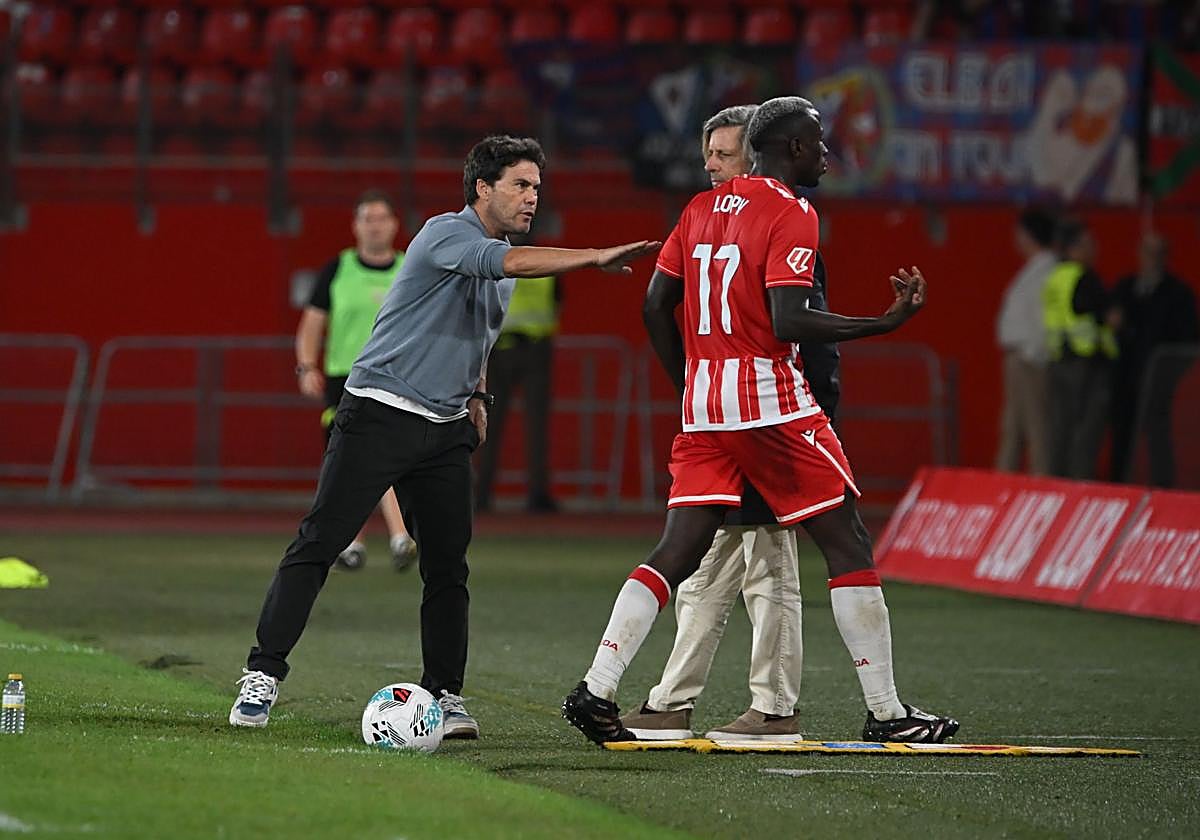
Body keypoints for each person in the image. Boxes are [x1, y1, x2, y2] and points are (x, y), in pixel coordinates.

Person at [230, 135, 660, 737]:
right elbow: (503, 263)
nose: (532, 196)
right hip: (378, 412)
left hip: (445, 429)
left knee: (448, 569)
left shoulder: (503, 260)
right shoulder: (444, 233)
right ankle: (263, 675)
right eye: (520, 184)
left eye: (537, 186)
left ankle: (445, 696)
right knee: (318, 544)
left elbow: (479, 333)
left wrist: (478, 396)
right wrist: (593, 256)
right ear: (483, 188)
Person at [562, 97, 958, 746]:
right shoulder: (792, 211)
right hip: (770, 405)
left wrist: (691, 380)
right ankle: (887, 713)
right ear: (792, 150)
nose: (826, 152)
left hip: (704, 407)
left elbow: (655, 304)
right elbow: (789, 320)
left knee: (678, 550)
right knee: (848, 543)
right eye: (818, 141)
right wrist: (883, 323)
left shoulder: (695, 209)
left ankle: (598, 687)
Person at [620, 104, 842, 742]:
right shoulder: (712, 227)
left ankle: (773, 708)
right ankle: (673, 700)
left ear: (756, 155)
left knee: (768, 566)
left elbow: (806, 336)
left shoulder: (776, 224)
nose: (711, 167)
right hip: (725, 421)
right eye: (707, 156)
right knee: (709, 569)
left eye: (722, 155)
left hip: (774, 422)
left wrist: (813, 417)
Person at [295, 189, 416, 572]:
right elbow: (312, 324)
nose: (375, 226)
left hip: (398, 376)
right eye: (367, 218)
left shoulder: (411, 269)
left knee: (382, 458)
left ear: (395, 225)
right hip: (344, 377)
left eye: (382, 218)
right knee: (347, 461)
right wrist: (305, 366)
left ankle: (391, 537)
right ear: (355, 225)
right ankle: (365, 541)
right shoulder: (337, 269)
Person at [1109, 232, 1199, 486]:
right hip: (1124, 375)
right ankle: (1120, 484)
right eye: (1148, 252)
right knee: (1122, 431)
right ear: (1138, 255)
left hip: (1160, 378)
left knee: (1158, 433)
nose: (1152, 259)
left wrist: (1169, 370)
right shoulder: (1124, 288)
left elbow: (1188, 336)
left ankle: (1162, 485)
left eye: (1158, 253)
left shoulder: (1179, 293)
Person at [473, 270, 560, 513]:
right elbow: (556, 304)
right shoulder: (547, 269)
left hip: (513, 349)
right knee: (527, 426)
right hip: (523, 349)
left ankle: (482, 495)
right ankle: (534, 494)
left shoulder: (495, 263)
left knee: (491, 424)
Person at [1043, 219, 1117, 480]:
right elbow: (1105, 316)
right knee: (1087, 429)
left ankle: (1057, 483)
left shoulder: (1056, 277)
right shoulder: (1084, 277)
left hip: (1059, 360)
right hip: (1086, 362)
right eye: (1089, 243)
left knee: (1060, 428)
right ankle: (1080, 482)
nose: (1094, 249)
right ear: (1075, 247)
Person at [994, 208, 1057, 475]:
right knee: (1013, 428)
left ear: (1029, 235)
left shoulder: (1048, 271)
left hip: (1030, 360)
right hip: (1017, 360)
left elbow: (1045, 319)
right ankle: (1003, 486)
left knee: (1036, 428)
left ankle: (1041, 484)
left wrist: (1033, 354)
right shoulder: (1033, 270)